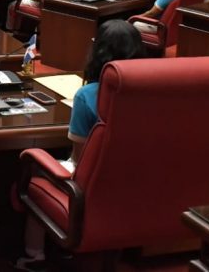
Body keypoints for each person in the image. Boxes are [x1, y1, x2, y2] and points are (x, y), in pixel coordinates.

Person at [18, 20, 146, 270]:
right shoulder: (152, 91)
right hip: (138, 181)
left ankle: (35, 255)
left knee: (34, 170)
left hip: (89, 190)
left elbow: (80, 159)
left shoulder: (86, 96)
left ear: (96, 51)